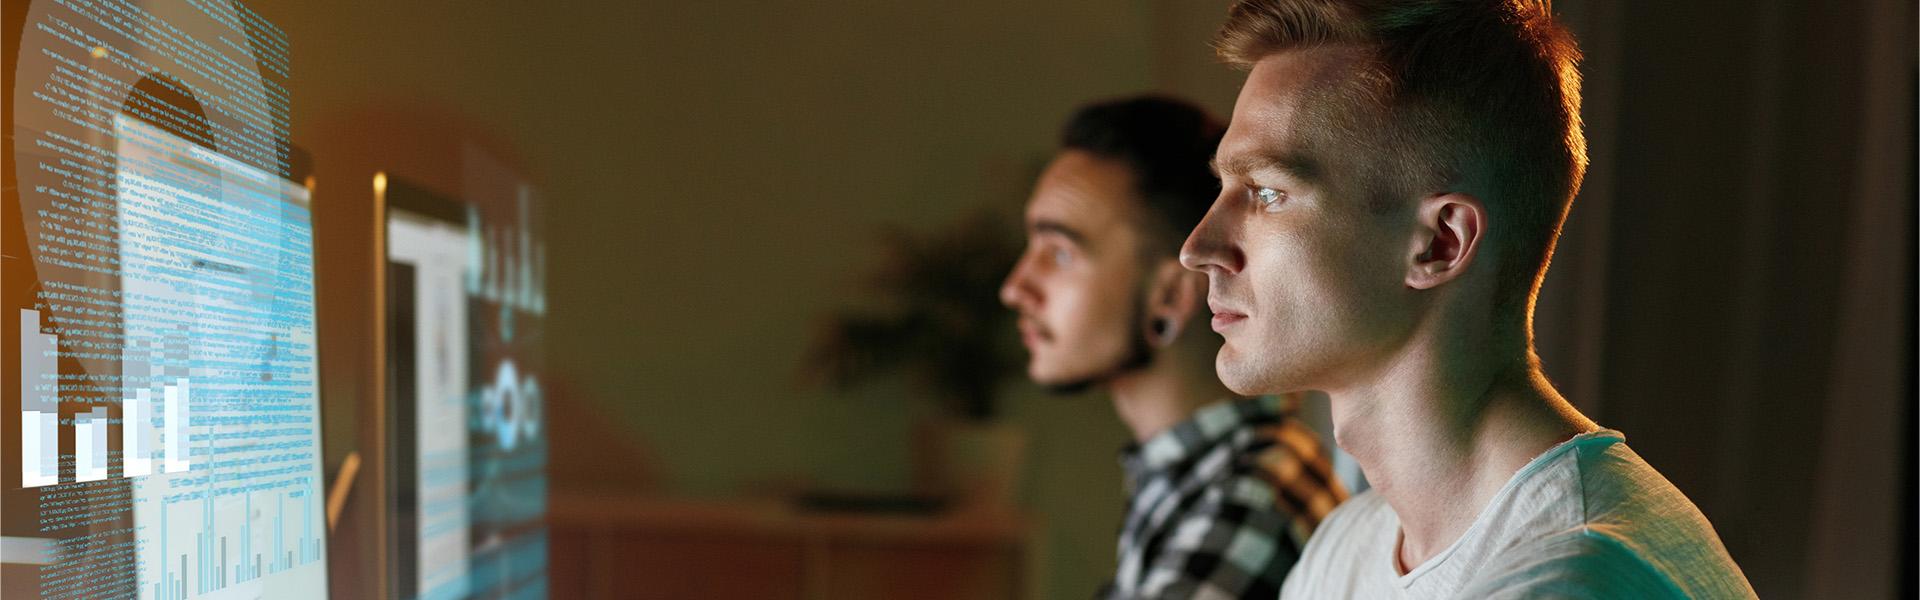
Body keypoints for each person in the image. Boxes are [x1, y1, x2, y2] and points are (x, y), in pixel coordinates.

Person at [1178, 1, 1757, 598]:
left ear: (1438, 243)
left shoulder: (1572, 577)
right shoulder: (1347, 548)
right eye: (1226, 187)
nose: (1197, 248)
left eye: (1268, 193)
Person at [1000, 95, 1346, 599]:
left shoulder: (1255, 492)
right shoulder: (1189, 477)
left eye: (1059, 252)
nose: (1015, 287)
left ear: (1169, 296)